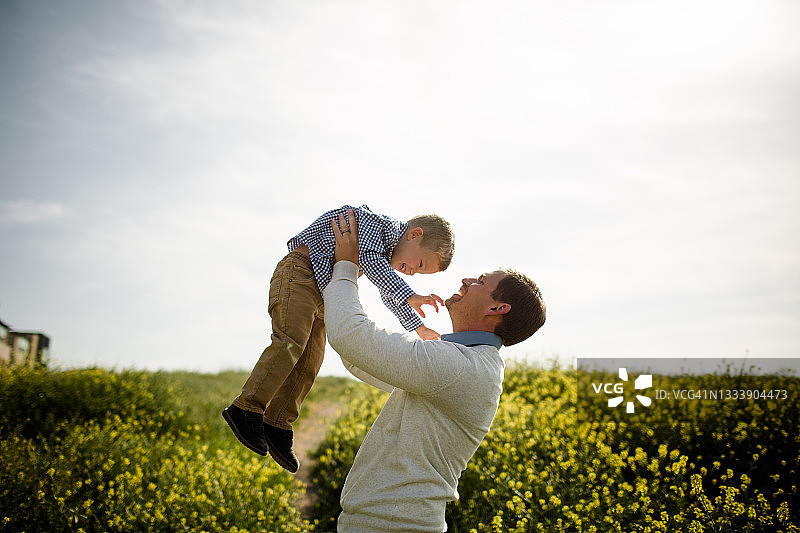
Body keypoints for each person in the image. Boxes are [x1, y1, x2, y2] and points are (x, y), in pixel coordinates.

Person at [324, 209, 545, 532]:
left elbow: (352, 339)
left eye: (481, 282)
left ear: (497, 308)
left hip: (393, 527)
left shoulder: (462, 367)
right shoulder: (468, 363)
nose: (466, 280)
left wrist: (345, 267)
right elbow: (358, 357)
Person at [223, 204, 455, 473]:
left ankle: (278, 423)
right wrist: (409, 295)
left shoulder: (385, 254)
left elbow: (385, 288)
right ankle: (247, 407)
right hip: (300, 274)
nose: (412, 272)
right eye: (420, 264)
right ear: (415, 235)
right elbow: (373, 264)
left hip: (323, 295)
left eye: (420, 273)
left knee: (311, 361)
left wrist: (418, 327)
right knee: (290, 341)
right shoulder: (375, 224)